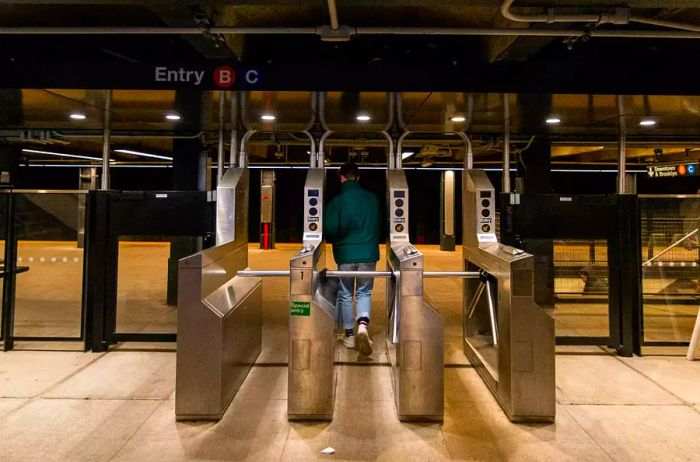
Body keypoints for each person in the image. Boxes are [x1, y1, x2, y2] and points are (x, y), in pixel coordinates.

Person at [324, 162, 381, 356]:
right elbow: (379, 224)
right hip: (367, 254)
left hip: (345, 255)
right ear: (358, 177)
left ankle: (349, 336)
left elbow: (330, 229)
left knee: (346, 293)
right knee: (364, 292)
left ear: (341, 177)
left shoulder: (337, 201)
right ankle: (363, 327)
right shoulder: (372, 198)